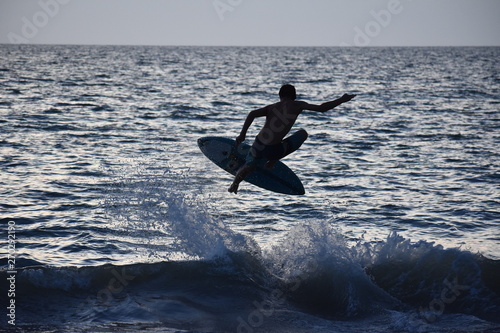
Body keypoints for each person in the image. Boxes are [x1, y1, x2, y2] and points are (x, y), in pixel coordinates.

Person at [228, 84, 356, 194]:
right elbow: (322, 108)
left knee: (250, 164)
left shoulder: (272, 107)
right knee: (302, 134)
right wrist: (341, 99)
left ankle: (235, 183)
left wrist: (242, 134)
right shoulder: (297, 105)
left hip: (258, 146)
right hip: (274, 151)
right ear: (294, 96)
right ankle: (271, 162)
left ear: (280, 95)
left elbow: (252, 114)